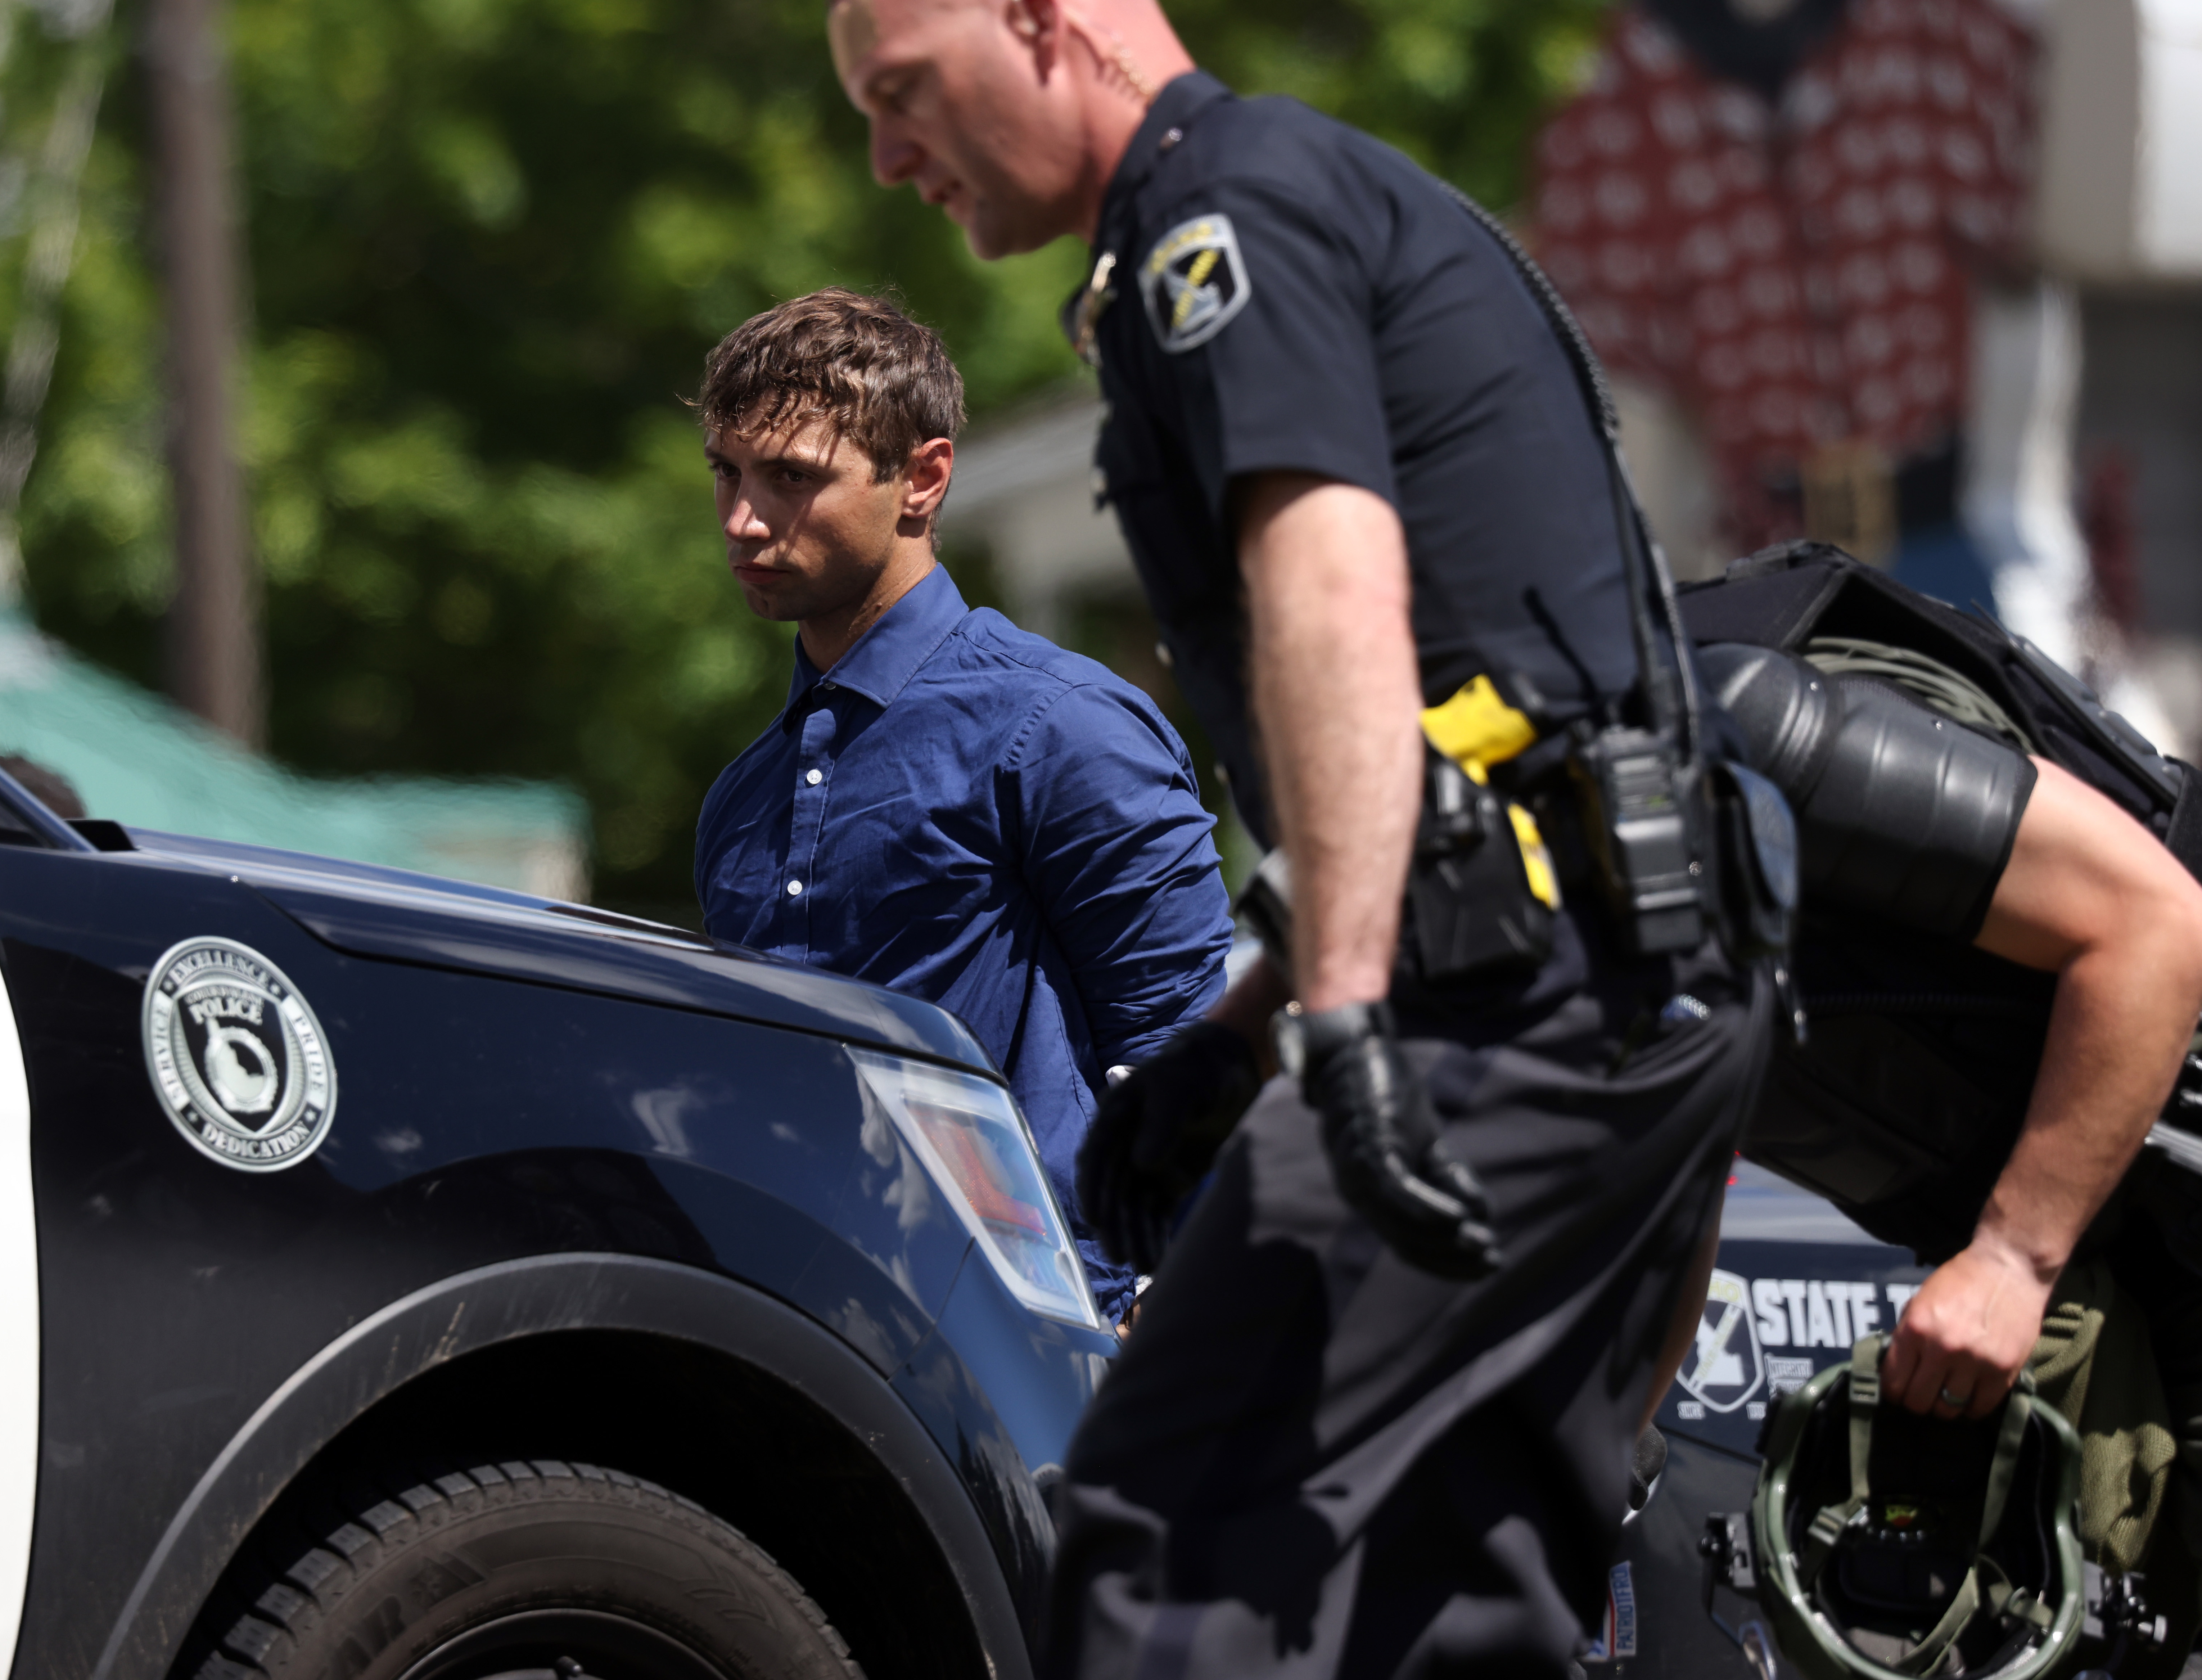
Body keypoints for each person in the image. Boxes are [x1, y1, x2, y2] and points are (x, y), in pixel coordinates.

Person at [831, 6, 1779, 1675]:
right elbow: (1457, 716)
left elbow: (1336, 587)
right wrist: (1242, 1026)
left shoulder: (1224, 220)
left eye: (901, 93)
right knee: (1453, 1611)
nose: (887, 155)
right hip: (1626, 987)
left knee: (1163, 1561)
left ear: (1042, 24)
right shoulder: (1286, 199)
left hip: (1497, 1013)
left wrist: (1335, 1020)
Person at [1683, 543, 2202, 1669]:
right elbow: (1663, 1157)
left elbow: (2159, 927)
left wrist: (2012, 1257)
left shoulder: (1752, 730)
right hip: (2107, 1233)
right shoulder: (1514, 869)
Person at [690, 287, 1231, 1327]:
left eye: (793, 477)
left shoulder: (1062, 726)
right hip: (808, 1342)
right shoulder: (740, 801)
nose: (743, 519)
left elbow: (1189, 1052)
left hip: (1047, 1341)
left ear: (922, 480)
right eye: (727, 471)